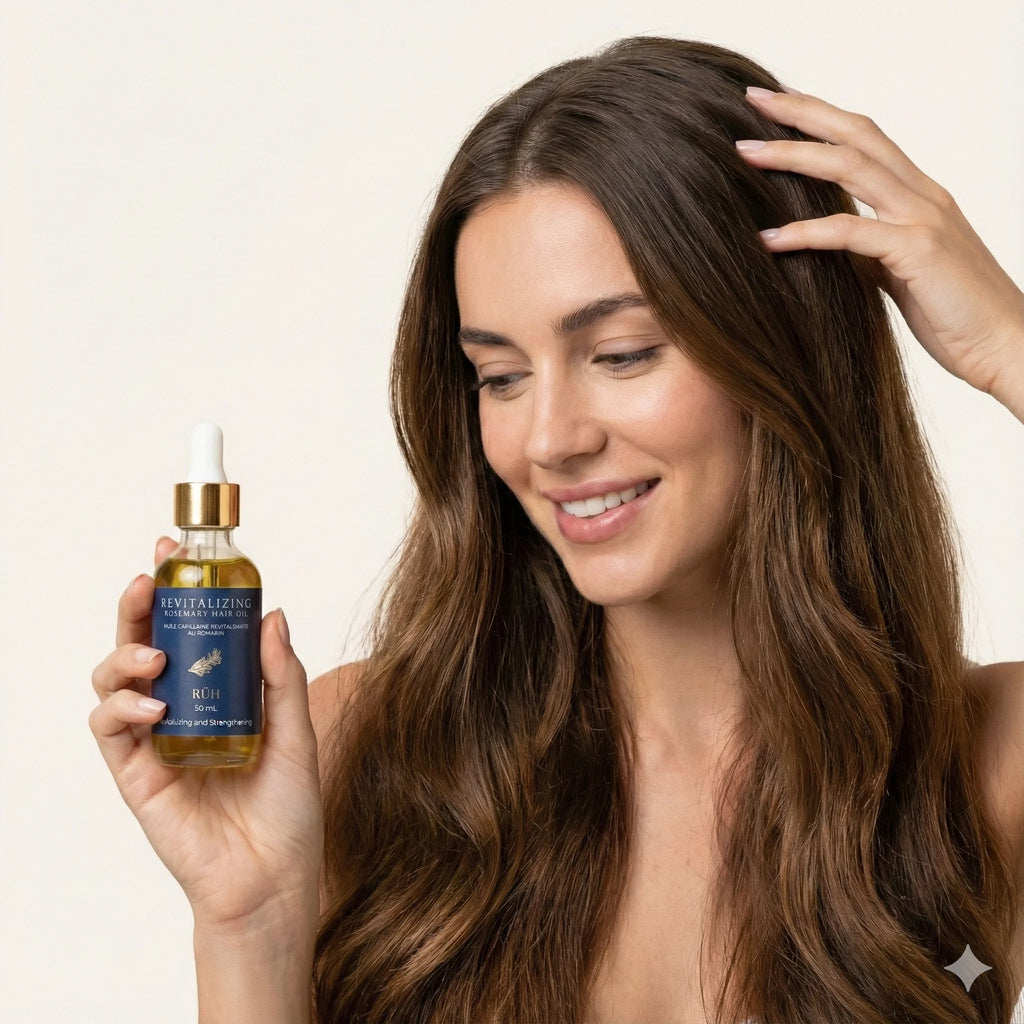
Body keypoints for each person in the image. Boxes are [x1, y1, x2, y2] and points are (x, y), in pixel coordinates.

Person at [89, 36, 1024, 1024]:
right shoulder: (360, 747)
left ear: (780, 342)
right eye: (500, 374)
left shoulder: (981, 767)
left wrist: (1007, 342)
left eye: (619, 353)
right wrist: (249, 923)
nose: (548, 440)